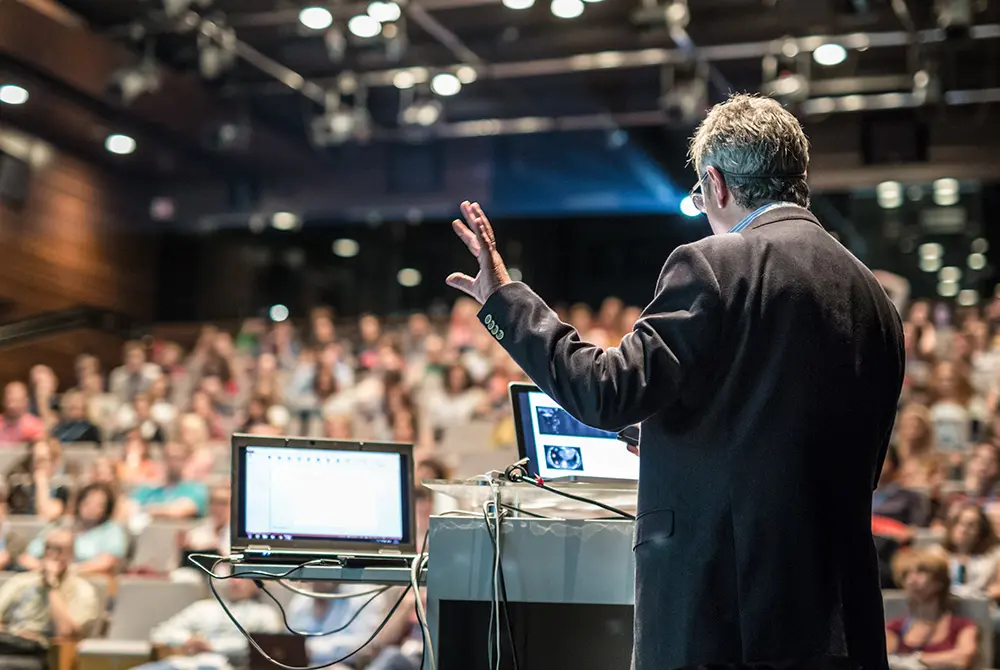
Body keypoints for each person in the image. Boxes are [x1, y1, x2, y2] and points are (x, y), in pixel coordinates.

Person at [444, 93, 905, 670]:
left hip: (725, 617)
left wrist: (504, 301)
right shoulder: (874, 297)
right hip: (841, 622)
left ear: (715, 184)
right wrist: (676, 436)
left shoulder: (717, 261)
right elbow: (802, 443)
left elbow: (605, 391)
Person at [0, 527, 100, 657]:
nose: (52, 555)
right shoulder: (21, 581)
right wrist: (10, 634)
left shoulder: (82, 590)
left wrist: (51, 587)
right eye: (48, 548)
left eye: (59, 549)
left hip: (48, 654)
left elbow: (67, 633)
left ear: (71, 554)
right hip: (12, 645)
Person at [885, 547, 979, 670]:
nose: (911, 580)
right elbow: (884, 658)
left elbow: (963, 659)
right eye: (906, 575)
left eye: (920, 572)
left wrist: (917, 659)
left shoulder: (961, 625)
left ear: (939, 582)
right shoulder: (895, 627)